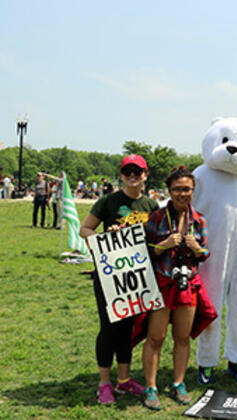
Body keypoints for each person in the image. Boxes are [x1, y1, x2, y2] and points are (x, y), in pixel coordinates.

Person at [79, 154, 159, 404]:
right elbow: (85, 229)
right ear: (122, 175)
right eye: (128, 172)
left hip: (137, 277)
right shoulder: (109, 202)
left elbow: (156, 238)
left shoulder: (151, 206)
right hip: (109, 276)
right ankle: (104, 383)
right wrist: (104, 239)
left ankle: (123, 381)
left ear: (146, 175)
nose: (133, 176)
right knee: (109, 328)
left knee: (127, 329)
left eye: (138, 171)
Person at [141, 167, 215, 410]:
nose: (182, 194)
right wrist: (163, 245)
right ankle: (151, 387)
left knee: (182, 338)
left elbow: (205, 255)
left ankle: (178, 383)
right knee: (156, 337)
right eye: (177, 189)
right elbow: (144, 252)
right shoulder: (158, 218)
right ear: (169, 191)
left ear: (193, 190)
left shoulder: (200, 220)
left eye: (187, 189)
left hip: (188, 284)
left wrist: (197, 249)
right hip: (163, 282)